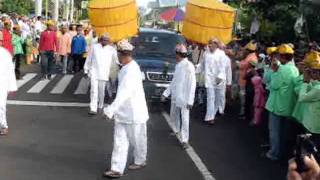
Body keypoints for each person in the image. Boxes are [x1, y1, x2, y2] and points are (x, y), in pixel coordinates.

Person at [103, 39, 149, 178]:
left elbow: (124, 94)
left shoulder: (131, 70)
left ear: (121, 54)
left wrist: (110, 110)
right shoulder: (126, 67)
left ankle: (140, 160)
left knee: (137, 140)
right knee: (119, 141)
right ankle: (116, 168)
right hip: (123, 112)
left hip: (134, 112)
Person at [265, 44, 299, 161]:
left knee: (274, 132)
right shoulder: (295, 69)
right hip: (287, 106)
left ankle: (274, 153)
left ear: (283, 57)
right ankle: (282, 153)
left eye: (279, 55)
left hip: (276, 105)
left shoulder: (282, 69)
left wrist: (274, 71)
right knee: (283, 132)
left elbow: (273, 85)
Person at [162, 44, 196, 149]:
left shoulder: (188, 66)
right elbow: (174, 82)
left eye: (176, 54)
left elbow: (192, 83)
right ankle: (176, 130)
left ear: (179, 54)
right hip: (176, 95)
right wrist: (166, 93)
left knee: (185, 119)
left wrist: (190, 100)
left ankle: (185, 140)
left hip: (185, 98)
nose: (175, 56)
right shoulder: (178, 65)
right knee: (173, 115)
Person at [196, 38, 231, 125]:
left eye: (212, 44)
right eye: (209, 43)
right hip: (209, 80)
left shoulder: (221, 54)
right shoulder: (206, 54)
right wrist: (195, 69)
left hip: (219, 80)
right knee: (210, 98)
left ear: (216, 45)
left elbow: (223, 68)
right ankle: (210, 118)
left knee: (218, 99)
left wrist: (222, 79)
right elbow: (202, 65)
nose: (210, 45)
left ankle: (213, 113)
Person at [84, 34, 118, 115]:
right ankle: (93, 108)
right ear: (101, 40)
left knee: (101, 91)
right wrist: (86, 70)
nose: (105, 41)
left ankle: (100, 105)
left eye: (107, 40)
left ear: (109, 41)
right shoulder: (94, 47)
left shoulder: (111, 49)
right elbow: (89, 58)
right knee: (93, 90)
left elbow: (116, 60)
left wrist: (121, 66)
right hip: (94, 72)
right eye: (104, 39)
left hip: (104, 73)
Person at [0, 46, 17, 135]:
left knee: (1, 105)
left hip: (2, 83)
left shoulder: (5, 53)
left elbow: (10, 71)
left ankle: (3, 126)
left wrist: (12, 87)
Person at [239, 41, 258, 116]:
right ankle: (244, 112)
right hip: (244, 80)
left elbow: (241, 65)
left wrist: (239, 63)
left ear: (248, 50)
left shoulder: (251, 57)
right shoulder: (250, 56)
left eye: (246, 50)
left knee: (244, 97)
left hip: (246, 81)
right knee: (244, 97)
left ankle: (244, 112)